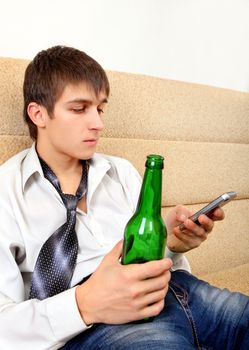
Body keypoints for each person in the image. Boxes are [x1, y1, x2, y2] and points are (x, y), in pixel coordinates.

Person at [0, 46, 248, 350]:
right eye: (79, 109)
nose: (98, 124)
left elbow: (151, 262)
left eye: (100, 109)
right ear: (38, 113)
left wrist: (170, 245)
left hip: (181, 291)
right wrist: (85, 303)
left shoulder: (122, 173)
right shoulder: (6, 192)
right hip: (100, 326)